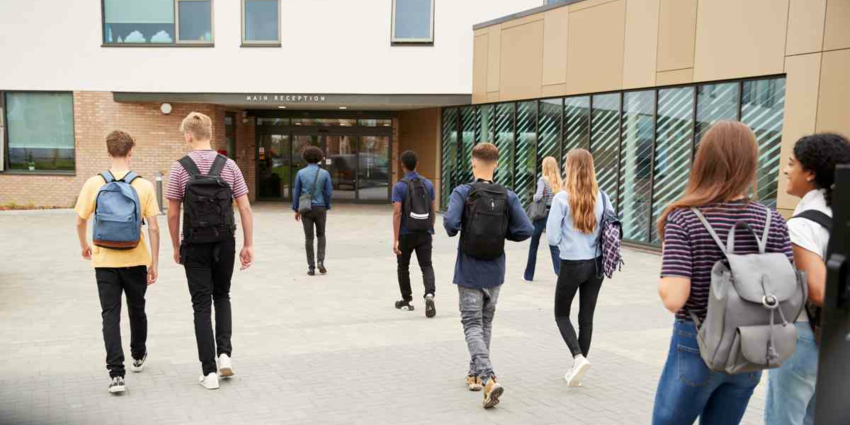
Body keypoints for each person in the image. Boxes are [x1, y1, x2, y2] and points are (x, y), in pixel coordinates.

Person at [652, 121, 793, 425]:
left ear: (703, 160)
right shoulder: (774, 221)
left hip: (697, 342)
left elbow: (675, 298)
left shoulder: (684, 219)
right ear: (751, 163)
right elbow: (789, 290)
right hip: (751, 347)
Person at [765, 133, 850, 425]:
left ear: (811, 173)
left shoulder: (802, 225)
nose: (787, 170)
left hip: (803, 335)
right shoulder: (842, 216)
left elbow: (817, 290)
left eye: (792, 163)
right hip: (838, 339)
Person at [166, 112, 254, 390]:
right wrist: (248, 244)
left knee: (201, 304)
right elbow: (245, 207)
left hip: (194, 243)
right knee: (222, 295)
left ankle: (209, 372)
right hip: (224, 241)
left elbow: (171, 212)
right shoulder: (229, 166)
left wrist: (175, 245)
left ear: (189, 135)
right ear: (211, 134)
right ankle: (224, 354)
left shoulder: (180, 168)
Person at [443, 142, 533, 409]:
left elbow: (450, 223)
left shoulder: (463, 191)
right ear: (496, 163)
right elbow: (526, 229)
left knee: (471, 325)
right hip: (495, 271)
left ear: (473, 162)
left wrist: (460, 230)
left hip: (469, 270)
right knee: (485, 324)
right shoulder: (509, 195)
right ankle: (474, 376)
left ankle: (488, 378)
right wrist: (503, 233)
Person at [74, 130, 160, 394]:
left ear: (109, 152)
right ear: (131, 152)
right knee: (137, 309)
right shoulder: (143, 185)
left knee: (110, 315)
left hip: (104, 260)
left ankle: (116, 375)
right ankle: (138, 354)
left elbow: (79, 220)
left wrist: (85, 246)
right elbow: (154, 228)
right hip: (136, 259)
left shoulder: (93, 184)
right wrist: (154, 263)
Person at [546, 149, 612, 387]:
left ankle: (577, 357)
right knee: (586, 317)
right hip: (597, 264)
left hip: (572, 263)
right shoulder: (603, 197)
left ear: (570, 168)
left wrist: (568, 240)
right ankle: (579, 368)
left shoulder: (561, 198)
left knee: (561, 314)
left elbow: (552, 238)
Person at [392, 150, 437, 317]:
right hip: (424, 232)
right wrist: (430, 228)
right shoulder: (429, 184)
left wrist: (395, 239)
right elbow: (432, 210)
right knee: (426, 265)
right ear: (417, 164)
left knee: (403, 266)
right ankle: (430, 294)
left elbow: (397, 213)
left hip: (405, 233)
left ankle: (407, 300)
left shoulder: (400, 186)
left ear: (402, 165)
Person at [293, 146, 333, 276]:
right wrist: (327, 205)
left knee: (308, 238)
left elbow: (297, 192)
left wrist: (296, 209)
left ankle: (311, 267)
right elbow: (328, 193)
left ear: (305, 157)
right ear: (319, 158)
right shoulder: (325, 173)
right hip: (320, 207)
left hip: (306, 209)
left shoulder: (300, 173)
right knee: (321, 235)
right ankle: (320, 261)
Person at [523, 156, 563, 281]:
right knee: (553, 244)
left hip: (541, 215)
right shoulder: (558, 181)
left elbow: (538, 197)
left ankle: (528, 275)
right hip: (554, 214)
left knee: (534, 244)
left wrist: (534, 196)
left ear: (544, 166)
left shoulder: (542, 180)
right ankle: (560, 273)